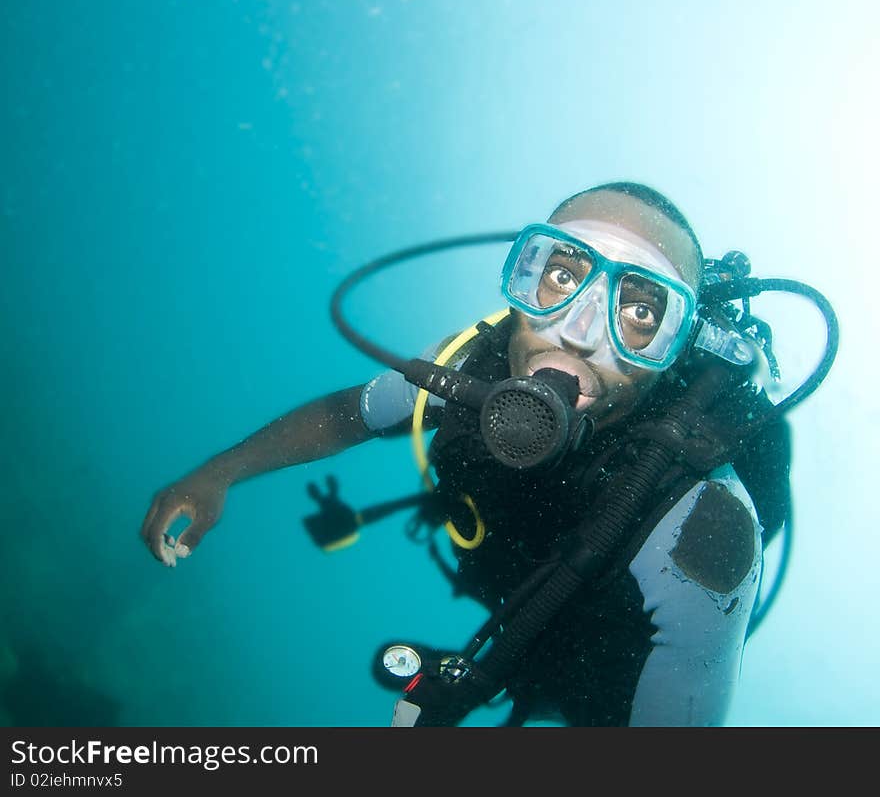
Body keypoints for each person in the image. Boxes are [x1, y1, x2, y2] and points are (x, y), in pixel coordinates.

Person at [142, 182, 824, 727]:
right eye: (561, 275)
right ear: (522, 275)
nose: (580, 330)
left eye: (641, 314)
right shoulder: (469, 368)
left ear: (675, 348)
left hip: (603, 690)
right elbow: (347, 414)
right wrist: (217, 474)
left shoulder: (704, 522)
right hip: (510, 619)